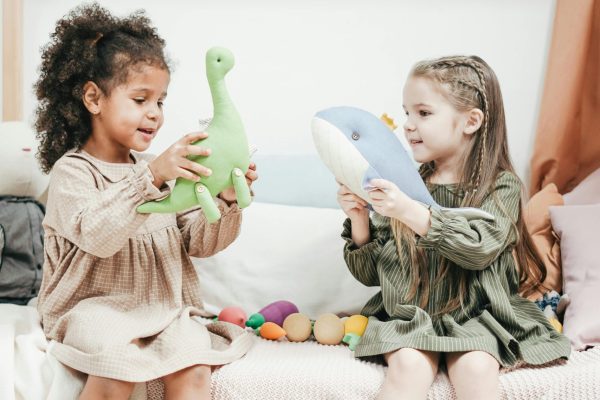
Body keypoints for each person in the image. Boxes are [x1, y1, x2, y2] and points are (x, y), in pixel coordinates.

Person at [34, 4, 257, 399]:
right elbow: (98, 235)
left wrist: (223, 201)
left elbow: (198, 243)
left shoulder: (159, 167)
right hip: (93, 308)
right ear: (93, 98)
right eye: (141, 99)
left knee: (195, 367)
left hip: (164, 309)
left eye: (161, 102)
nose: (154, 114)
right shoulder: (74, 173)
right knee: (117, 368)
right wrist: (151, 178)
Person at [337, 55, 570, 400]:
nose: (408, 125)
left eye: (424, 113)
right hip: (413, 319)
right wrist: (359, 219)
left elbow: (478, 249)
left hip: (479, 318)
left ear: (471, 121)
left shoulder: (500, 187)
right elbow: (374, 274)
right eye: (406, 113)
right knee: (408, 368)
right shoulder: (402, 186)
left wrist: (410, 211)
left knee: (477, 369)